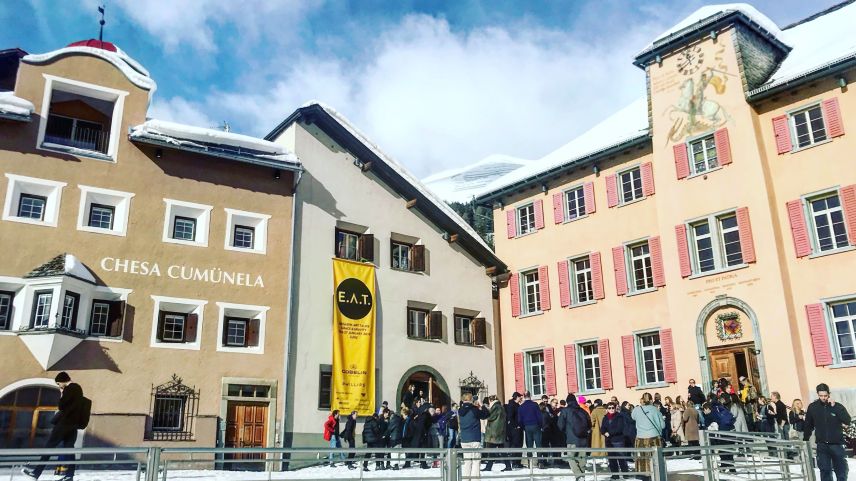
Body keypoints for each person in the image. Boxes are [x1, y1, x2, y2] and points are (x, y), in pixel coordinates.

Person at [23, 372, 87, 481]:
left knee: (49, 447)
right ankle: (69, 476)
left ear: (62, 381)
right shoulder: (78, 388)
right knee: (69, 449)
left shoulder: (68, 389)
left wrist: (62, 393)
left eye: (58, 384)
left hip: (63, 424)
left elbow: (62, 406)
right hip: (72, 425)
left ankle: (36, 473)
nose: (59, 386)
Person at [803, 383, 852, 481]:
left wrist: (834, 407)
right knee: (824, 469)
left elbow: (847, 420)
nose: (823, 398)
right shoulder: (813, 407)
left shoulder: (837, 406)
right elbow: (808, 424)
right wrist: (805, 439)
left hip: (836, 444)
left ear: (829, 394)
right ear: (818, 394)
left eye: (825, 395)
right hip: (822, 445)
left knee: (840, 469)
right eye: (821, 396)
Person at [631, 393, 664, 481]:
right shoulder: (655, 409)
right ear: (651, 400)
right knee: (654, 458)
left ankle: (643, 474)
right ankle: (655, 474)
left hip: (640, 438)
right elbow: (663, 425)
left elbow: (633, 417)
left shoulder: (636, 410)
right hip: (653, 437)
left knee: (642, 457)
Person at [458, 392, 490, 479]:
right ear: (471, 399)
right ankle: (475, 479)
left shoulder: (460, 410)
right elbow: (486, 414)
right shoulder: (474, 409)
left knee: (467, 461)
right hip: (474, 438)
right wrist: (481, 404)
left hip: (464, 439)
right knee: (476, 461)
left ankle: (465, 479)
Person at [558, 394, 590, 479]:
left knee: (570, 458)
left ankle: (579, 476)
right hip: (583, 439)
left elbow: (560, 425)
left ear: (567, 402)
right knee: (582, 459)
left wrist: (566, 431)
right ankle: (581, 477)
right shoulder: (582, 410)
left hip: (571, 439)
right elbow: (589, 424)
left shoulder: (565, 411)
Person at [601, 402, 630, 479]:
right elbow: (602, 428)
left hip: (618, 440)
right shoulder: (605, 417)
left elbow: (620, 428)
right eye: (609, 408)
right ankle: (615, 474)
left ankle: (625, 474)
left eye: (612, 408)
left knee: (621, 458)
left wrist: (609, 433)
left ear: (615, 408)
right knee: (612, 459)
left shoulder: (619, 416)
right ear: (607, 409)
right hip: (609, 441)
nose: (611, 409)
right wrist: (604, 432)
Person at [482, 395, 508, 472]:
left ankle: (488, 467)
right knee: (501, 451)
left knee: (491, 451)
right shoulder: (500, 406)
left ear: (491, 400)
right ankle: (508, 466)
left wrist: (485, 408)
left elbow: (490, 416)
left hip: (494, 433)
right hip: (498, 432)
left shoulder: (496, 407)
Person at [518, 391, 542, 468]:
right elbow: (539, 416)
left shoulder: (521, 406)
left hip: (527, 426)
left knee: (529, 445)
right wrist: (540, 425)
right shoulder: (535, 405)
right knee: (538, 444)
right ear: (530, 395)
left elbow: (520, 420)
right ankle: (540, 462)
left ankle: (529, 462)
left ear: (524, 397)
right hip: (535, 425)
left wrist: (523, 427)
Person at [505, 392, 524, 469]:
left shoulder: (516, 405)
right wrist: (516, 426)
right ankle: (515, 462)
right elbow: (510, 417)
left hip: (518, 428)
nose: (521, 398)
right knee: (516, 445)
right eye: (520, 397)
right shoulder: (512, 405)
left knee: (519, 445)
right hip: (514, 429)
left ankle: (518, 462)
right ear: (516, 397)